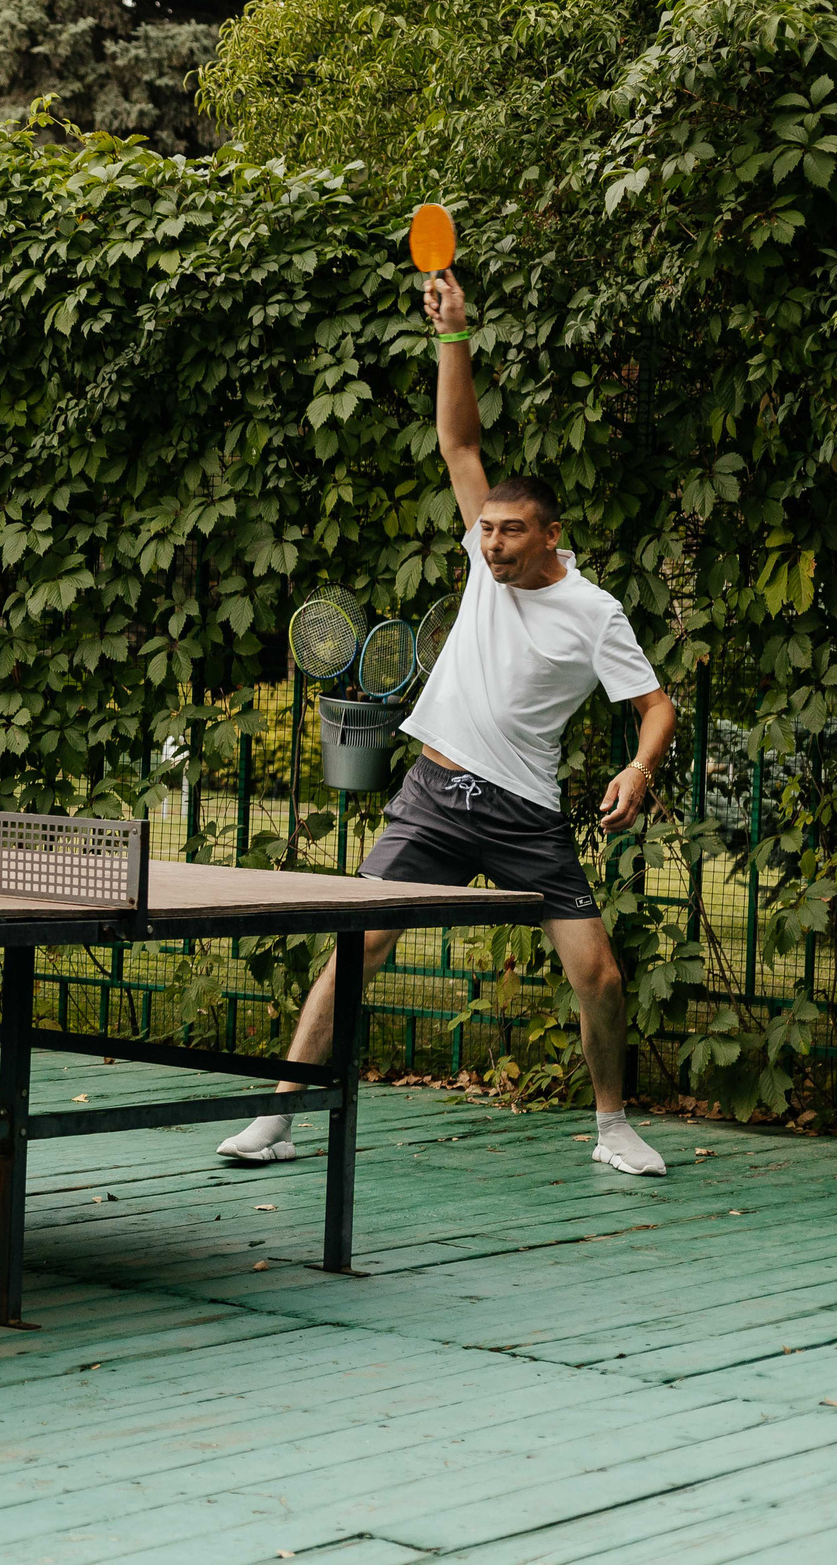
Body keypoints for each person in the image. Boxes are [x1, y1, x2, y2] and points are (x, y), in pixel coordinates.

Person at [215, 270, 678, 1178]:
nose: (490, 541)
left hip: (525, 813)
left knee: (602, 976)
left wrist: (639, 767)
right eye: (488, 528)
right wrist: (451, 332)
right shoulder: (481, 562)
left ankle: (613, 1123)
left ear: (551, 535)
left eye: (509, 531)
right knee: (363, 945)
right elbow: (457, 437)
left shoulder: (596, 613)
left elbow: (655, 705)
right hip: (434, 791)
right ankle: (279, 1115)